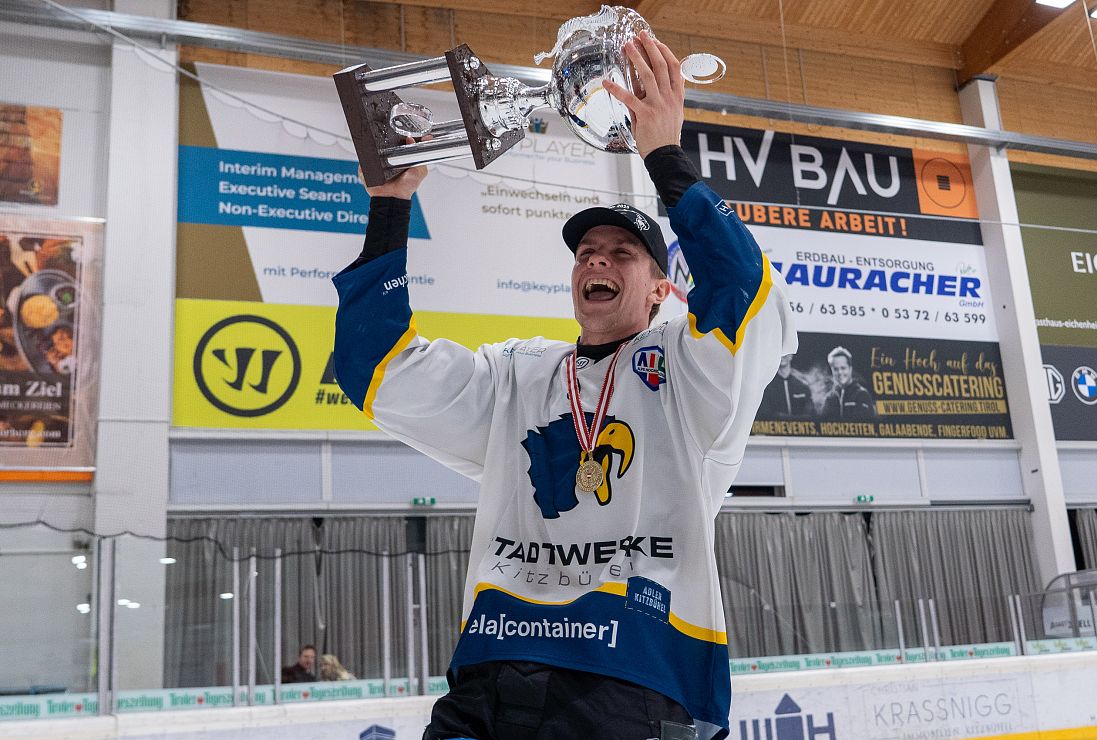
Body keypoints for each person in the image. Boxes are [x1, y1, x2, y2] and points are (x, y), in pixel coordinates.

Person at [333, 31, 797, 740]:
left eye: (622, 253)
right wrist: (390, 207)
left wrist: (664, 156)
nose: (596, 261)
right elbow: (378, 372)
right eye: (586, 252)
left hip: (633, 682)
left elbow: (743, 289)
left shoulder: (690, 369)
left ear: (662, 289)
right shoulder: (519, 373)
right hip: (491, 676)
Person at [821, 346, 875, 420]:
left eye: (843, 368)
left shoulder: (862, 396)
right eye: (835, 369)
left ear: (850, 368)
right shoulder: (829, 398)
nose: (840, 372)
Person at [757, 353, 812, 420]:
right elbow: (764, 415)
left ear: (791, 355)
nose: (783, 355)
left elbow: (810, 415)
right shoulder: (766, 385)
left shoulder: (802, 385)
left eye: (786, 352)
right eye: (780, 352)